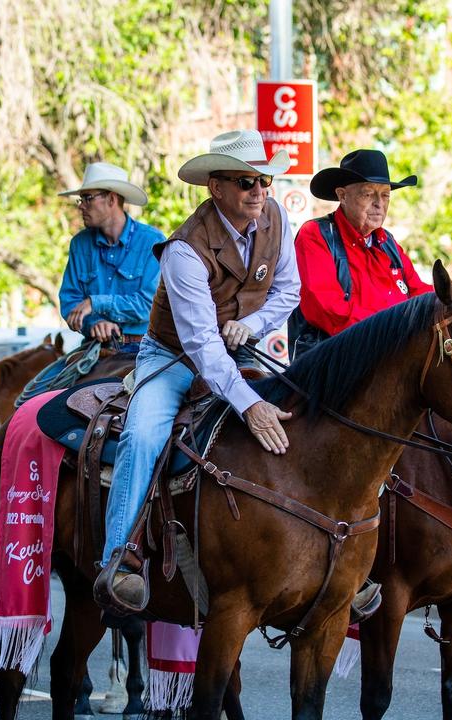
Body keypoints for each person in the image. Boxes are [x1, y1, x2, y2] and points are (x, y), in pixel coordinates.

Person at [94, 130, 299, 613]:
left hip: (236, 347)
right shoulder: (184, 251)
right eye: (246, 181)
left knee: (305, 410)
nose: (259, 191)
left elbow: (289, 293)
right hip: (170, 358)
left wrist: (248, 325)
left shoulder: (276, 217)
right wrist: (250, 405)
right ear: (217, 188)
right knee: (142, 435)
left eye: (264, 180)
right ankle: (118, 559)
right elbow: (201, 346)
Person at [291, 149, 431, 357]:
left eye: (385, 195)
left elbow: (420, 292)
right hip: (338, 361)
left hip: (393, 360)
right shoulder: (316, 235)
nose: (379, 204)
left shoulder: (388, 243)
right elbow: (329, 311)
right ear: (342, 195)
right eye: (368, 194)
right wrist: (393, 330)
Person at [57, 162, 163, 345]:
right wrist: (94, 323)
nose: (81, 206)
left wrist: (96, 303)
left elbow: (150, 305)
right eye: (81, 200)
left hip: (145, 349)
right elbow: (70, 301)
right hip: (95, 348)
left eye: (87, 198)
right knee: (48, 375)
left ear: (112, 199)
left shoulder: (152, 242)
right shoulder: (80, 244)